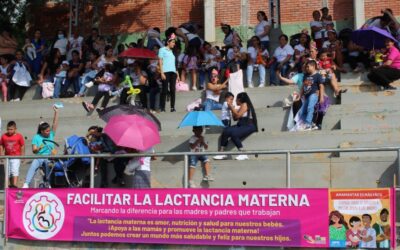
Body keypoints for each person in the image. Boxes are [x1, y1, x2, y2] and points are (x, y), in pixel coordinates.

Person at [214, 92, 258, 161]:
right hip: (241, 125)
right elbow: (235, 118)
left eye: (236, 99)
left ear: (240, 99)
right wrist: (232, 109)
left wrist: (232, 108)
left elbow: (237, 115)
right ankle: (221, 152)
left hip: (249, 125)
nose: (235, 101)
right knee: (226, 131)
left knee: (234, 134)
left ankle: (243, 153)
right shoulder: (241, 106)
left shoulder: (245, 104)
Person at [23, 107, 59, 188]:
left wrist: (56, 112)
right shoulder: (36, 137)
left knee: (48, 165)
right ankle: (26, 183)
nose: (48, 132)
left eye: (49, 130)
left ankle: (48, 183)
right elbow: (34, 151)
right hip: (39, 156)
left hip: (49, 157)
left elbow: (55, 124)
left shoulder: (51, 135)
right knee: (33, 164)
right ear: (42, 131)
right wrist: (39, 148)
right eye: (46, 131)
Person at [298, 60, 325, 131]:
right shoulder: (305, 75)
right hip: (306, 97)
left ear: (313, 66)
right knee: (302, 112)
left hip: (314, 95)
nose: (306, 68)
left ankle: (308, 124)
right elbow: (303, 86)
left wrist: (321, 97)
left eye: (308, 67)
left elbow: (321, 86)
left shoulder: (318, 76)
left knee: (310, 108)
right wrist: (300, 96)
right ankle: (311, 124)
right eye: (306, 67)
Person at [158, 33, 179, 112]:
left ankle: (172, 107)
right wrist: (162, 73)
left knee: (173, 90)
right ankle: (162, 107)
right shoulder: (162, 49)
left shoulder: (173, 52)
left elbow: (175, 64)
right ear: (168, 42)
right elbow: (160, 61)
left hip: (173, 72)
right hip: (165, 72)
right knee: (164, 89)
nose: (174, 44)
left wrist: (177, 74)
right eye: (172, 42)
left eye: (174, 42)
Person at [0, 121, 25, 188]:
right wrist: (1, 154)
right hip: (7, 156)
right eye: (8, 129)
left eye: (11, 129)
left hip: (16, 156)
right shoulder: (4, 136)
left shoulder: (19, 136)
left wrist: (22, 156)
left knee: (14, 171)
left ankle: (14, 185)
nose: (9, 131)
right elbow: (1, 145)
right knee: (8, 173)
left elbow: (22, 146)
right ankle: (10, 185)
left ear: (15, 129)